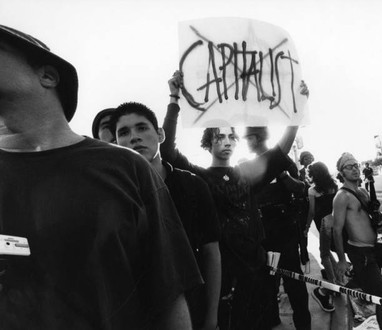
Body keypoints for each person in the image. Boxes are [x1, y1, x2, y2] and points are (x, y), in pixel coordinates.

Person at [0, 25, 201, 329]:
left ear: (48, 76)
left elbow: (168, 295)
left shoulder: (127, 169)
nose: (134, 137)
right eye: (124, 132)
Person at [160, 70, 308, 330]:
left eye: (231, 136)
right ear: (208, 143)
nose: (226, 142)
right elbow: (168, 151)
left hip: (258, 270)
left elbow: (279, 151)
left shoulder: (247, 175)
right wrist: (174, 99)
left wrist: (297, 112)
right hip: (224, 276)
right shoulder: (200, 177)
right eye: (219, 137)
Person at [111, 101, 222, 330]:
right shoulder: (112, 194)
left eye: (142, 128)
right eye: (124, 132)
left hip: (192, 309)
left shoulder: (193, 186)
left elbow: (212, 253)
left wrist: (212, 317)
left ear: (160, 134)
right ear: (116, 143)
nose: (134, 137)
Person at [244, 126, 311, 330]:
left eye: (248, 138)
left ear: (256, 138)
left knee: (295, 285)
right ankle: (271, 321)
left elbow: (301, 189)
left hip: (285, 234)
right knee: (265, 287)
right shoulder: (248, 166)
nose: (246, 142)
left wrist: (282, 175)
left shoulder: (282, 160)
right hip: (262, 235)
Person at [332, 153, 382, 330]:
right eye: (349, 167)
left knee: (366, 284)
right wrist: (342, 260)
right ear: (341, 172)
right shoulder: (341, 197)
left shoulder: (363, 191)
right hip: (360, 253)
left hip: (373, 250)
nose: (355, 169)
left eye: (355, 165)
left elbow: (375, 215)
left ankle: (330, 289)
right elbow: (336, 230)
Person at [304, 162, 339, 313]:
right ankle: (337, 277)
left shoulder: (312, 191)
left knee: (323, 253)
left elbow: (311, 212)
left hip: (323, 223)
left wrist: (306, 227)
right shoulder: (334, 186)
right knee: (328, 251)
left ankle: (333, 284)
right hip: (334, 221)